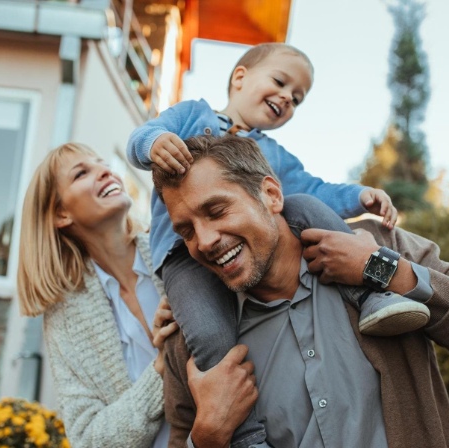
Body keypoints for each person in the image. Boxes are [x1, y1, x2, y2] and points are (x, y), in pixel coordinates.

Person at [152, 134, 449, 448]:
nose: (203, 241)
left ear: (271, 195)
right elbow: (181, 436)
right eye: (185, 231)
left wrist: (386, 271)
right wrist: (207, 439)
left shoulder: (378, 246)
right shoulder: (193, 340)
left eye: (217, 211)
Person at [127, 42, 429, 447]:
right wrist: (154, 144)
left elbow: (313, 190)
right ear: (240, 78)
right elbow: (142, 136)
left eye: (297, 99)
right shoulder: (192, 115)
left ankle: (372, 292)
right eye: (280, 82)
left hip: (265, 251)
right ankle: (247, 437)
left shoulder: (273, 156)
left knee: (304, 206)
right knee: (210, 335)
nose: (287, 97)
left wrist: (360, 196)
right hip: (183, 258)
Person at [16, 143, 193, 448]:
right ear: (61, 213)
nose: (105, 171)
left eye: (102, 163)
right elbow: (87, 439)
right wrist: (161, 368)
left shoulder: (176, 252)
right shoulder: (66, 318)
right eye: (81, 173)